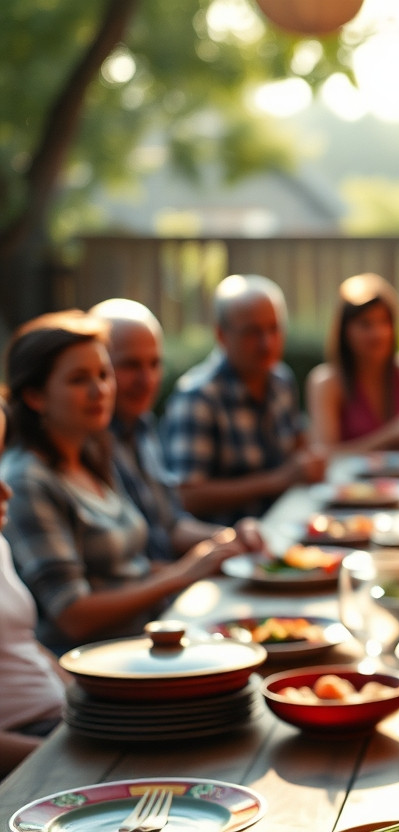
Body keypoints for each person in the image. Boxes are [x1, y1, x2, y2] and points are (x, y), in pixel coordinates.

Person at [1, 312, 247, 653]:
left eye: (104, 375)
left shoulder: (93, 451)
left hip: (151, 639)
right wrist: (182, 573)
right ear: (35, 396)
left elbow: (129, 569)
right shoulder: (27, 481)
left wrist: (221, 551)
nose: (99, 390)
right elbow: (73, 614)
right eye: (78, 379)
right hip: (100, 667)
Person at [90, 299, 264, 563]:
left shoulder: (141, 427)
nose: (146, 380)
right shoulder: (84, 444)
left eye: (154, 364)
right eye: (130, 365)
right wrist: (187, 573)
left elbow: (170, 526)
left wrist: (232, 538)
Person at [161, 274, 325, 526]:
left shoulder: (281, 380)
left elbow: (297, 446)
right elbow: (186, 495)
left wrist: (309, 458)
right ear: (221, 334)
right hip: (229, 545)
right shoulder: (197, 398)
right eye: (252, 332)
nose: (266, 343)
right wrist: (276, 481)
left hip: (288, 527)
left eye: (274, 329)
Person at [306, 273, 399, 454]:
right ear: (345, 331)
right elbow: (323, 455)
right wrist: (392, 435)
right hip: (350, 482)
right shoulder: (328, 383)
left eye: (384, 322)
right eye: (365, 324)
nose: (377, 333)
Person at [0, 403, 67, 777]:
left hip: (57, 723)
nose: (5, 490)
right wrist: (57, 755)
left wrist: (92, 701)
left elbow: (23, 642)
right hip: (27, 746)